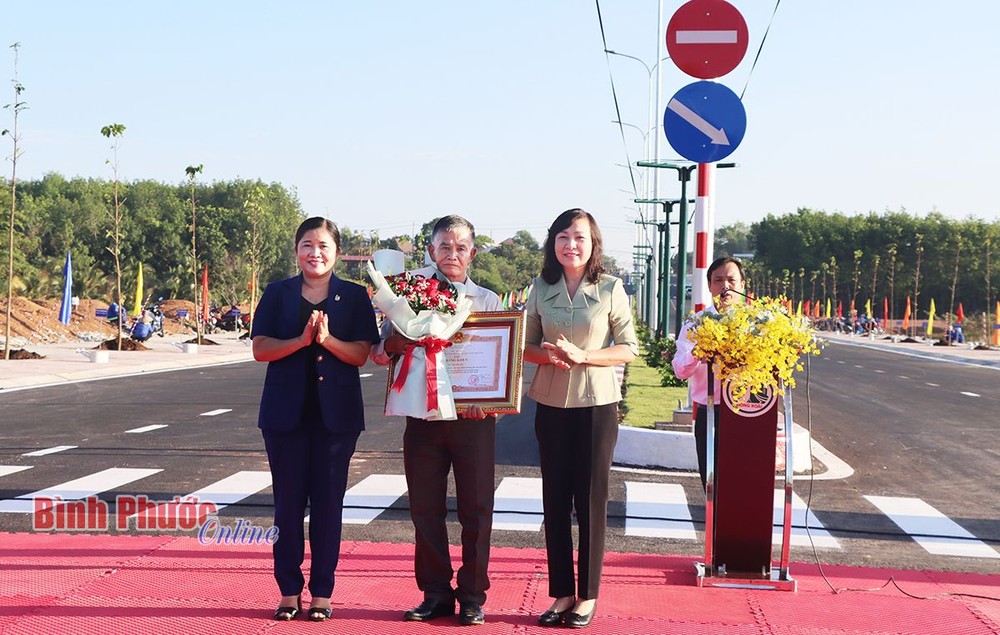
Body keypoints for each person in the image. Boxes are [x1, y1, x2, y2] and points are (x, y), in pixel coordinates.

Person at [371, 215, 502, 626]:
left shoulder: (488, 301)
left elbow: (501, 362)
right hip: (423, 417)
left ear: (473, 254)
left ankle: (473, 595)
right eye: (444, 246)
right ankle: (435, 592)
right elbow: (380, 351)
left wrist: (490, 402)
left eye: (461, 247)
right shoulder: (406, 295)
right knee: (425, 508)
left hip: (472, 419)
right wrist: (406, 338)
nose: (452, 254)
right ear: (431, 251)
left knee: (477, 509)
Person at [251, 216, 380, 622]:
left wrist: (325, 341)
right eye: (307, 245)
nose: (315, 253)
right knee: (286, 507)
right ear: (296, 250)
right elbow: (260, 348)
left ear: (336, 252)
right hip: (284, 418)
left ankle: (322, 592)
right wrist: (301, 342)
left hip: (336, 421)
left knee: (328, 507)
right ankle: (289, 591)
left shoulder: (355, 296)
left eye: (323, 245)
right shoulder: (277, 293)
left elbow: (360, 354)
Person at [523, 208, 638, 629]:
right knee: (554, 501)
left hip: (596, 406)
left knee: (590, 502)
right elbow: (525, 345)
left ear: (593, 245)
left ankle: (587, 595)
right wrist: (551, 354)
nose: (571, 245)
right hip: (550, 403)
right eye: (563, 237)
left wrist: (585, 356)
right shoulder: (540, 287)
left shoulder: (610, 288)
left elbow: (628, 348)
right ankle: (561, 594)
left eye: (580, 238)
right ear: (553, 243)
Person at [671, 256, 747, 490]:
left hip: (749, 415)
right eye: (718, 280)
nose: (725, 286)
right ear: (709, 286)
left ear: (743, 285)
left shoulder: (758, 324)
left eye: (732, 280)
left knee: (745, 483)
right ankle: (715, 526)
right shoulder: (696, 324)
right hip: (711, 413)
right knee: (714, 486)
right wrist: (698, 352)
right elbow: (680, 370)